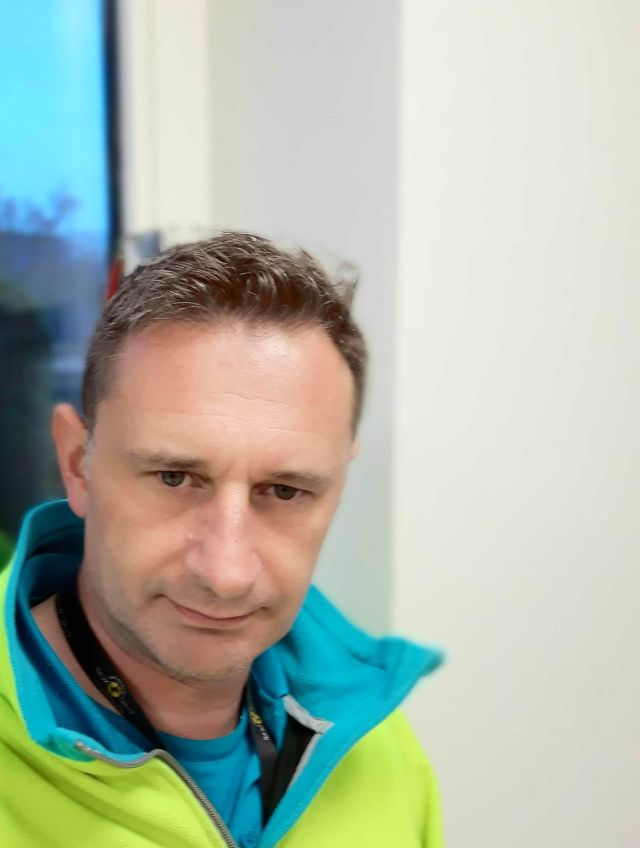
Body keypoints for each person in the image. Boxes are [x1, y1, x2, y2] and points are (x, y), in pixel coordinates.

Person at [0, 232, 444, 847]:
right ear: (78, 464)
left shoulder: (376, 746)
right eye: (174, 477)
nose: (225, 572)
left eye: (285, 491)